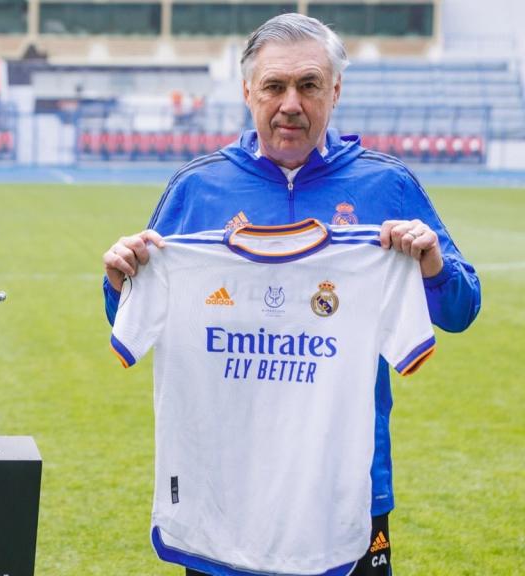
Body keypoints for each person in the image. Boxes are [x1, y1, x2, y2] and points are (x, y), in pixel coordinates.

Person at [102, 13, 481, 576]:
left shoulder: (387, 185)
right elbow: (132, 315)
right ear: (247, 91)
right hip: (224, 489)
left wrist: (431, 266)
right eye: (275, 86)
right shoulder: (196, 189)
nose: (291, 104)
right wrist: (117, 280)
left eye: (308, 85)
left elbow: (461, 309)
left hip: (346, 484)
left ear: (335, 90)